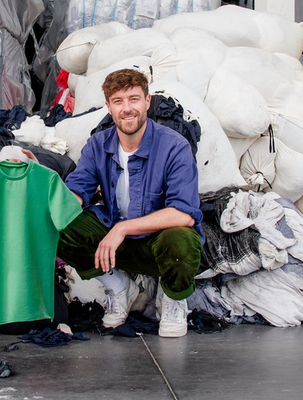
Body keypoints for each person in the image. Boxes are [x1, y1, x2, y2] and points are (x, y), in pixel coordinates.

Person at [58, 69, 203, 338]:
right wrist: (49, 207)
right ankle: (119, 286)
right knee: (59, 224)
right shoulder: (98, 144)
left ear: (147, 102)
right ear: (108, 107)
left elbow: (185, 212)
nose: (127, 109)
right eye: (118, 101)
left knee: (182, 241)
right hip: (115, 247)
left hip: (158, 247)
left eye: (134, 99)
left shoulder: (174, 146)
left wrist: (122, 229)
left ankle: (173, 301)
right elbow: (78, 189)